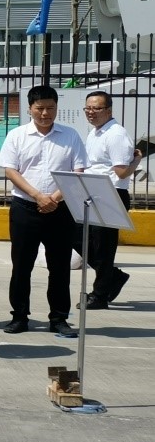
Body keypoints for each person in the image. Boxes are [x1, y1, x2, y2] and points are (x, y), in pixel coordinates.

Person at [0, 84, 87, 335]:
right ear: (30, 109)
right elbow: (11, 170)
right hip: (25, 208)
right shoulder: (17, 136)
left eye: (50, 108)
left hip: (60, 209)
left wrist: (54, 198)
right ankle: (19, 316)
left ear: (57, 108)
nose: (45, 113)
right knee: (21, 266)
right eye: (40, 108)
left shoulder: (71, 136)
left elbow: (78, 171)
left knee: (59, 267)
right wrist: (37, 196)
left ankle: (58, 318)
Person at [74, 91, 139, 309]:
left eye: (96, 108)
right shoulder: (95, 133)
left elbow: (121, 172)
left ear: (108, 110)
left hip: (111, 193)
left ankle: (100, 294)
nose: (91, 112)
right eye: (88, 108)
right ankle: (113, 275)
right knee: (76, 236)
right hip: (92, 192)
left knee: (104, 246)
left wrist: (137, 160)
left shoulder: (116, 135)